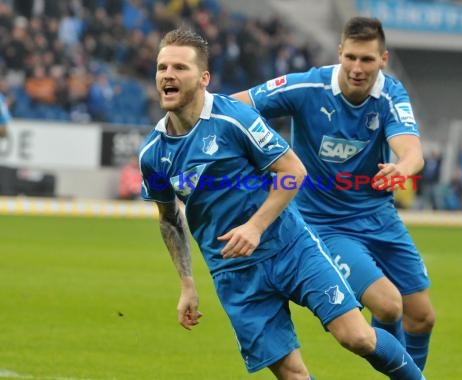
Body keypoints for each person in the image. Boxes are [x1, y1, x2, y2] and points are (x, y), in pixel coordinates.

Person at [139, 28, 425, 380]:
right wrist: (187, 284)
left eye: (180, 67)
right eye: (162, 67)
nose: (168, 75)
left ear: (203, 78)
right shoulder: (153, 154)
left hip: (290, 247)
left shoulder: (234, 120)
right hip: (234, 272)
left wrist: (255, 226)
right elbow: (169, 219)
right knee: (292, 374)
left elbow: (293, 171)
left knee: (358, 337)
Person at [233, 17, 435, 370]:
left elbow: (412, 151)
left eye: (367, 60)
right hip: (325, 225)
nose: (358, 68)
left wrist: (402, 167)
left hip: (379, 217)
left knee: (421, 317)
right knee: (388, 305)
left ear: (383, 59)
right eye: (352, 57)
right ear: (340, 53)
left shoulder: (391, 93)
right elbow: (237, 105)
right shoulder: (307, 87)